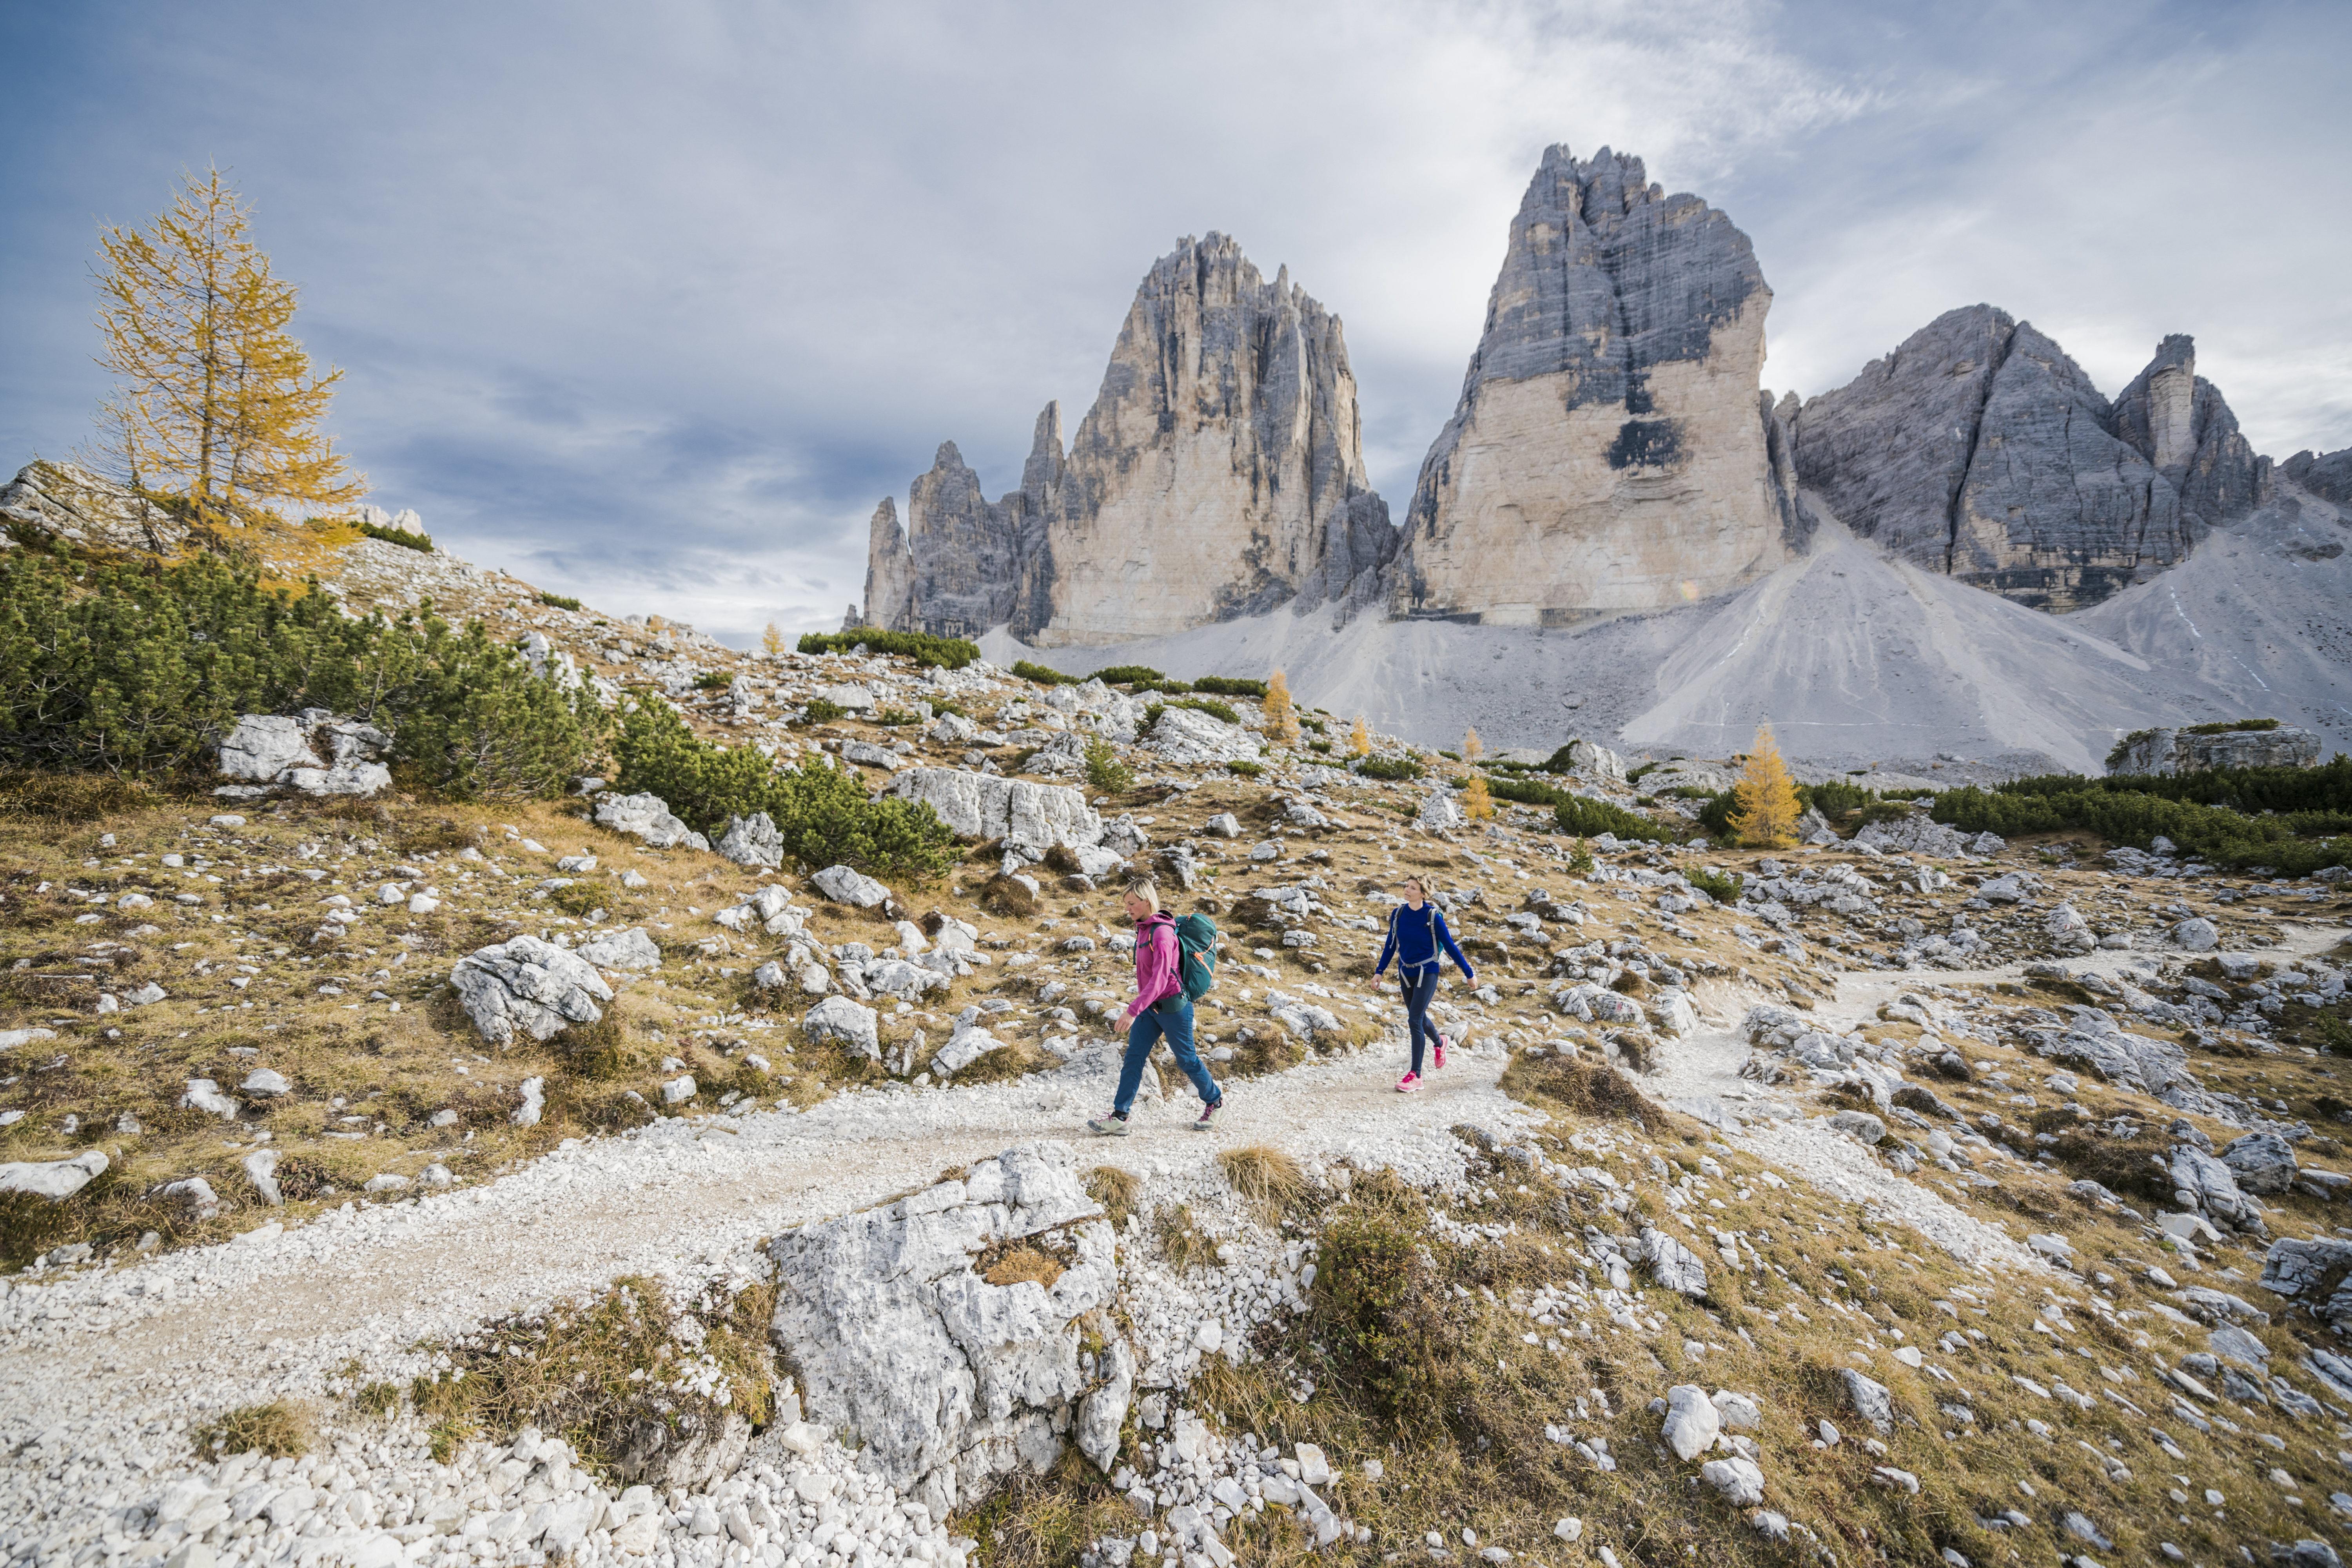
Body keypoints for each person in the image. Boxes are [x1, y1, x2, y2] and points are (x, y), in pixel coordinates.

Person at [1088, 876, 1223, 1135]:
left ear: (1146, 902)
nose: (1127, 909)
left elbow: (1161, 978)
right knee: (1134, 1058)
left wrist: (1132, 1010)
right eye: (1125, 904)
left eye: (1131, 903)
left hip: (1173, 1007)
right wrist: (1142, 1007)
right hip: (1151, 1008)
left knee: (1186, 1060)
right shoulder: (1143, 929)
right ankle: (1120, 1117)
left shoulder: (1161, 933)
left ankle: (1215, 1102)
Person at [1374, 876, 1473, 1092]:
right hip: (1405, 972)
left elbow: (1450, 946)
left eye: (1413, 888)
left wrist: (1469, 973)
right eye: (1407, 886)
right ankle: (1440, 1042)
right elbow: (1391, 945)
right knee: (1418, 1017)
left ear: (1424, 894)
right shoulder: (1398, 914)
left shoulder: (1432, 917)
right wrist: (1379, 972)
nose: (1407, 890)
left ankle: (1416, 1075)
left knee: (1414, 1019)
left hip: (1427, 972)